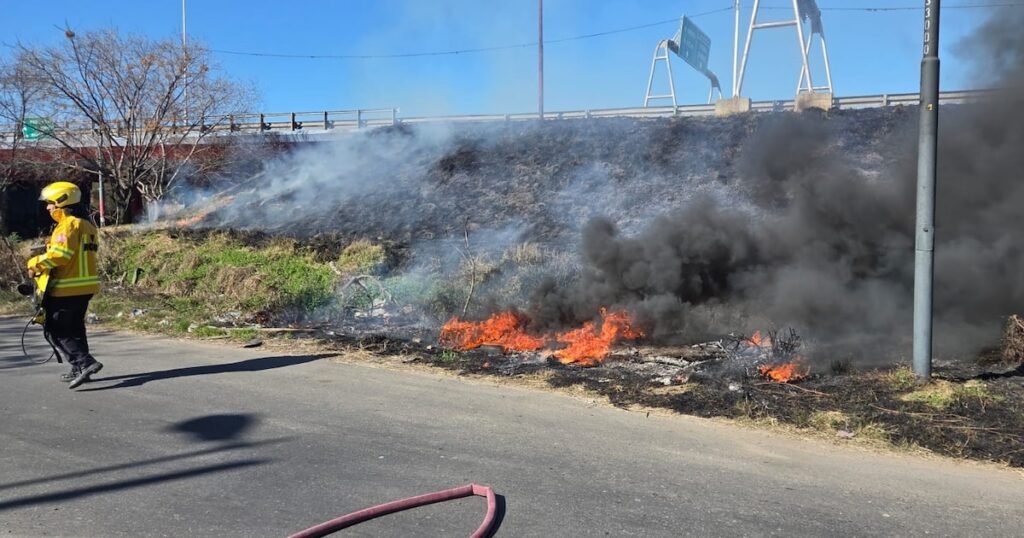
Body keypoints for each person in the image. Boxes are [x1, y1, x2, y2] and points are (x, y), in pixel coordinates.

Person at [26, 181, 103, 389]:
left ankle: (85, 363)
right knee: (75, 329)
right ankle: (78, 368)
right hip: (85, 287)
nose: (48, 207)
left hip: (66, 288)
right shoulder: (86, 225)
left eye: (50, 203)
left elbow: (60, 255)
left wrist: (34, 263)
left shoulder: (67, 225)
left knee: (55, 329)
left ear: (62, 202)